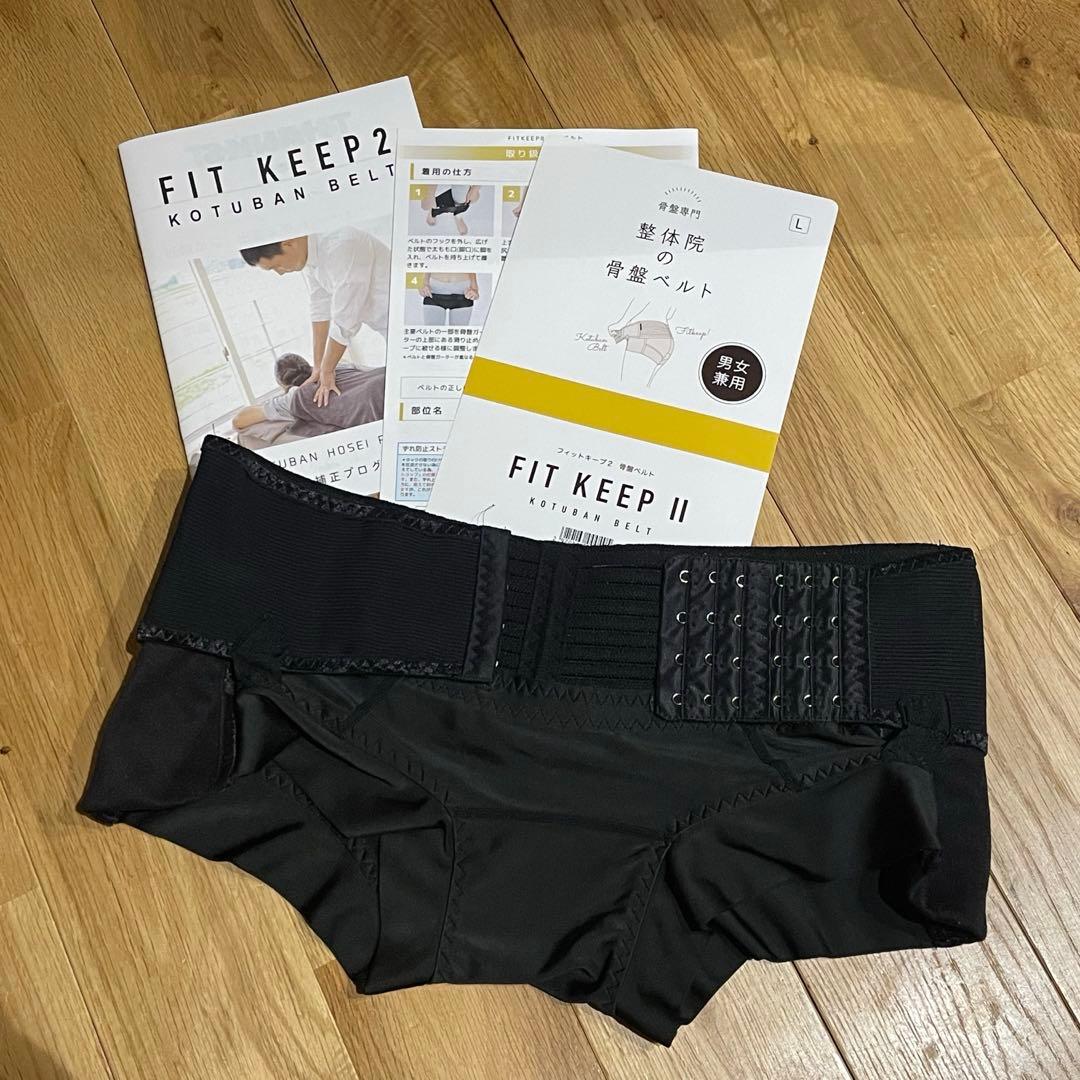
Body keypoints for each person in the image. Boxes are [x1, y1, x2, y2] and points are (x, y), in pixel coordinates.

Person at [240, 227, 390, 407]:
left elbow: (346, 320)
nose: (280, 273)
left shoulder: (341, 246)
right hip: (389, 326)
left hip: (409, 316)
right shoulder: (311, 261)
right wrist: (318, 367)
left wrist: (327, 370)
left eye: (276, 265)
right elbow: (320, 308)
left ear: (288, 243)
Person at [232, 353, 385, 438]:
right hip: (384, 385)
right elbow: (372, 372)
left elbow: (239, 420)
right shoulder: (336, 365)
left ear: (282, 384)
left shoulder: (293, 398)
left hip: (377, 407)